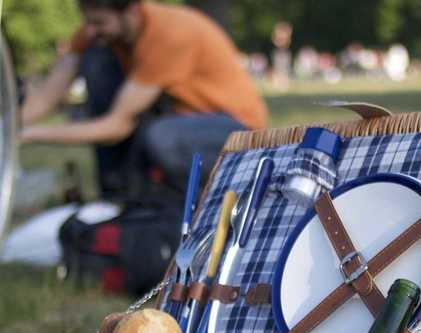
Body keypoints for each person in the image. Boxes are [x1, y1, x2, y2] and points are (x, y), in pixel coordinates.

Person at [20, 0, 268, 201]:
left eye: (99, 22)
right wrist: (9, 127)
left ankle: (202, 205)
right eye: (87, 21)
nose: (90, 30)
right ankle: (120, 199)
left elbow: (116, 126)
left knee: (161, 137)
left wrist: (31, 134)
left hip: (237, 129)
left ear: (132, 10)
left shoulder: (168, 34)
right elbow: (44, 98)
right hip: (180, 116)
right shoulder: (96, 31)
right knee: (97, 58)